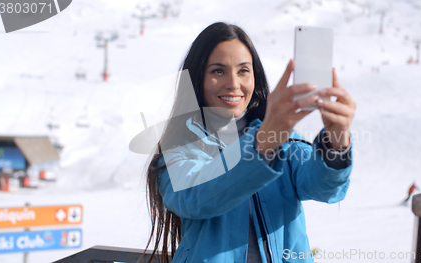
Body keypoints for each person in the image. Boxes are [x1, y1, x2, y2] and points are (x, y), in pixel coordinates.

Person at [144, 22, 356, 263]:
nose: (233, 84)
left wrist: (337, 139)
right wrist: (262, 145)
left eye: (243, 70)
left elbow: (323, 187)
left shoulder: (283, 140)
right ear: (197, 79)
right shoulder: (181, 149)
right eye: (218, 71)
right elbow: (196, 199)